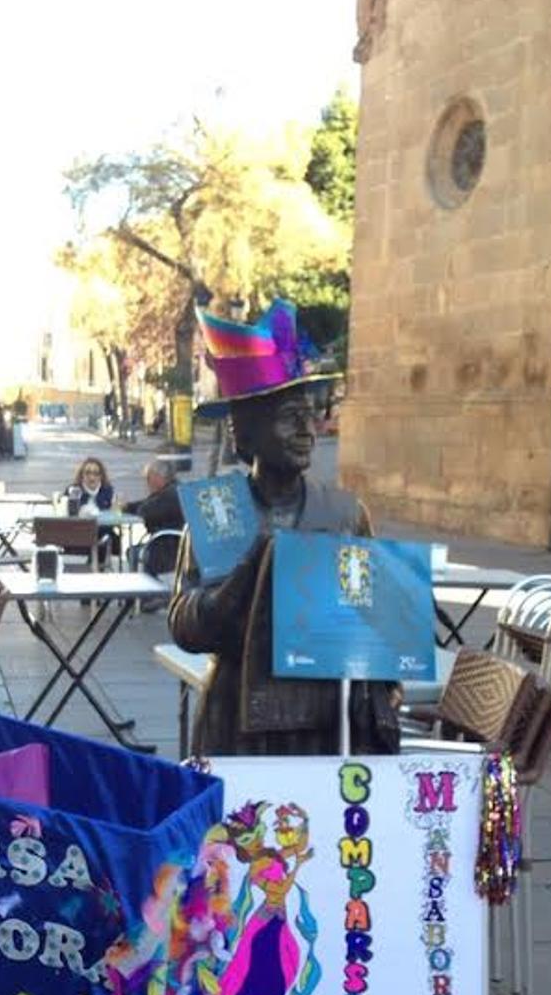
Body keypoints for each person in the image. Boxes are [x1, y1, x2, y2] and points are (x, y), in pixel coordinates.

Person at [170, 297, 399, 757]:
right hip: (234, 723)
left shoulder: (344, 514)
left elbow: (376, 621)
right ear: (245, 434)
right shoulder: (219, 509)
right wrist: (248, 577)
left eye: (310, 415)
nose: (307, 430)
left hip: (323, 726)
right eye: (288, 417)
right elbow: (184, 623)